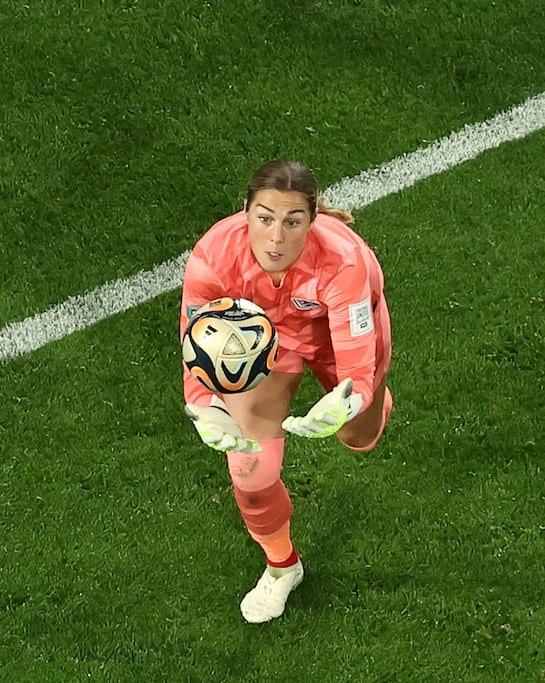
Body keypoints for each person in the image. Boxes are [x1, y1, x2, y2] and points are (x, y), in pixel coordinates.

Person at [179, 159, 393, 623]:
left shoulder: (344, 263)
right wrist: (204, 404)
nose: (276, 238)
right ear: (246, 211)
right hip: (266, 339)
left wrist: (352, 399)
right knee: (249, 469)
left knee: (358, 436)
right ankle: (282, 567)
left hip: (341, 334)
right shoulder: (213, 256)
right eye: (265, 219)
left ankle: (374, 407)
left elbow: (356, 365)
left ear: (312, 221)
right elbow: (197, 343)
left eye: (292, 222)